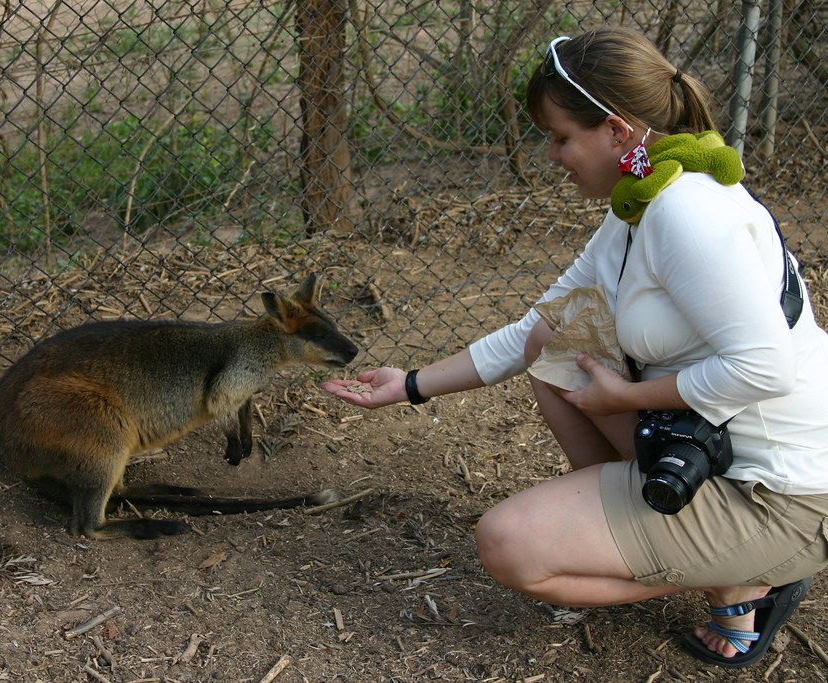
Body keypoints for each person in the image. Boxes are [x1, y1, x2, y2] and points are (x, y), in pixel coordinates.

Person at [322, 26, 828, 669]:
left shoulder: (688, 213)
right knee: (560, 354)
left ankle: (748, 578)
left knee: (510, 545)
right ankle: (683, 543)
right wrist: (412, 383)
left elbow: (767, 367)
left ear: (616, 132)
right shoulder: (639, 205)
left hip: (784, 493)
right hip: (718, 445)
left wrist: (633, 396)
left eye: (561, 137)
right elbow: (542, 328)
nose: (552, 154)